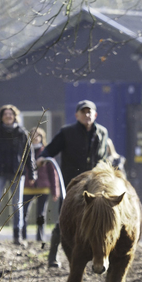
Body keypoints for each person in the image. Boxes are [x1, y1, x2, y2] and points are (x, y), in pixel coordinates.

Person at [37, 99, 111, 267]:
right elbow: (51, 148)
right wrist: (43, 157)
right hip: (72, 185)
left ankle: (101, 254)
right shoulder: (67, 132)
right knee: (64, 219)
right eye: (84, 112)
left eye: (90, 112)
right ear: (77, 115)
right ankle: (53, 256)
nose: (87, 115)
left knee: (99, 219)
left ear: (95, 114)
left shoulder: (102, 132)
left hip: (96, 184)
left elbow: (103, 157)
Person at [0, 104, 36, 246]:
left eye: (10, 114)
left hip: (17, 173)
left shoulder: (22, 133)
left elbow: (29, 154)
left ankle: (18, 236)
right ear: (2, 117)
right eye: (5, 114)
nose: (8, 116)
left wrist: (32, 174)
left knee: (17, 204)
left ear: (14, 116)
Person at [21, 127, 61, 242]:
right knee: (23, 213)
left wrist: (55, 191)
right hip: (27, 187)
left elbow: (53, 173)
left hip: (43, 187)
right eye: (32, 135)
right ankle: (23, 236)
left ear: (41, 137)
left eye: (38, 135)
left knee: (41, 214)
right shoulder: (24, 152)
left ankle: (40, 237)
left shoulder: (46, 153)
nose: (35, 137)